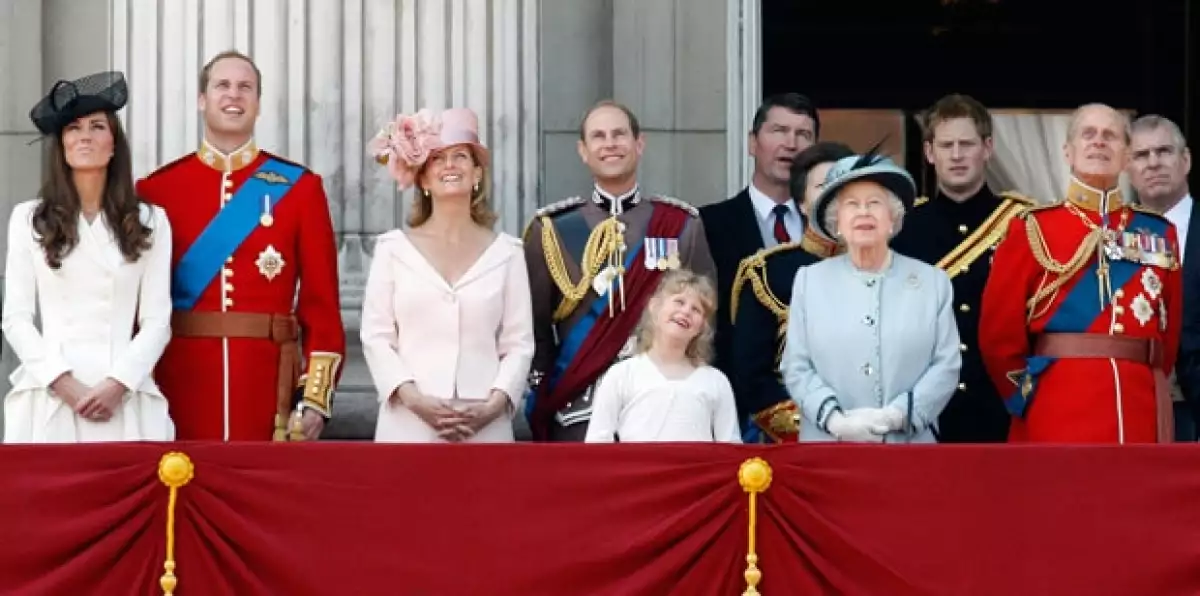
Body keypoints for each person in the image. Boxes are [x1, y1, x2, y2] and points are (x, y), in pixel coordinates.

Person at [136, 50, 346, 441]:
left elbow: (322, 307)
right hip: (179, 384)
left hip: (269, 388)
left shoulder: (299, 189)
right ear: (202, 99)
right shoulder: (156, 190)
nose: (234, 96)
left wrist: (314, 398)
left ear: (258, 104)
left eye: (245, 87)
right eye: (223, 86)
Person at [980, 103, 1182, 444]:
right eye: (1088, 134)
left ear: (1126, 155)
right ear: (1068, 152)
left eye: (1110, 136)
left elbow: (1169, 335)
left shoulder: (1159, 233)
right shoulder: (1032, 228)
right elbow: (998, 336)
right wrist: (1029, 399)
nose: (1099, 142)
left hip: (1139, 411)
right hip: (1056, 410)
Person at [523, 100, 717, 441]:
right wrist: (542, 393)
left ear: (639, 144)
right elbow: (535, 327)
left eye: (619, 134)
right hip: (579, 403)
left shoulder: (680, 224)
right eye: (598, 136)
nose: (610, 143)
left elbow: (706, 314)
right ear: (583, 151)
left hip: (662, 399)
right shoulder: (551, 229)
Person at [3, 71, 174, 443]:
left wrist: (118, 383)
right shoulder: (29, 219)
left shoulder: (150, 221)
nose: (85, 136)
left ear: (114, 144)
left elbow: (157, 320)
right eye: (73, 128)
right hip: (49, 397)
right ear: (61, 144)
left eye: (98, 126)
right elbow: (15, 319)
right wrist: (63, 383)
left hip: (125, 399)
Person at [361, 108, 534, 443]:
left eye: (461, 156)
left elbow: (519, 343)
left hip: (485, 425)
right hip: (408, 423)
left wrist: (494, 405)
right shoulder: (393, 249)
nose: (450, 165)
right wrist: (413, 399)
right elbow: (376, 336)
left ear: (477, 174)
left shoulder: (508, 252)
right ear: (423, 178)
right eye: (438, 158)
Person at [780, 148, 962, 443]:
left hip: (909, 449)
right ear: (836, 221)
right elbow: (796, 366)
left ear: (893, 218)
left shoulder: (933, 282)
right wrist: (836, 421)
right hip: (829, 449)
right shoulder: (809, 282)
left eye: (874, 203)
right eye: (852, 204)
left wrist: (897, 416)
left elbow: (946, 365)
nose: (863, 212)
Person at [891, 94, 1034, 443]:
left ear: (987, 148)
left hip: (1001, 403)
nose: (956, 155)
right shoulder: (904, 228)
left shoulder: (1022, 222)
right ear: (929, 153)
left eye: (966, 144)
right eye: (946, 145)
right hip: (927, 409)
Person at [729, 141, 853, 442]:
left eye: (843, 187)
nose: (834, 198)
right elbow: (753, 376)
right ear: (801, 203)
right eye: (823, 186)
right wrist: (824, 429)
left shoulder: (887, 269)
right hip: (797, 444)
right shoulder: (768, 273)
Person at [699, 93, 820, 388]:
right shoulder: (706, 224)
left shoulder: (828, 230)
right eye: (779, 131)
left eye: (803, 134)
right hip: (734, 398)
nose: (791, 144)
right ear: (753, 143)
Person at [585, 269, 739, 443]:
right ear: (654, 306)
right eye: (679, 302)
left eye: (696, 309)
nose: (686, 311)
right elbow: (597, 442)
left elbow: (730, 446)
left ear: (702, 327)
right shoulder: (622, 374)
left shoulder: (716, 381)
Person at [1126, 115, 1199, 441]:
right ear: (1128, 167)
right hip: (1132, 409)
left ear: (1185, 161)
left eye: (1164, 151)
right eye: (1142, 155)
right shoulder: (1109, 235)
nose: (1153, 163)